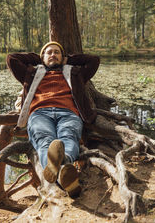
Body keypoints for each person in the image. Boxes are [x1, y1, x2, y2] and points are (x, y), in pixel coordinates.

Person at [6, 41, 100, 197]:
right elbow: (11, 58)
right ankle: (65, 170)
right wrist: (39, 58)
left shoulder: (75, 74)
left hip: (69, 113)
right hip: (40, 113)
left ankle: (62, 166)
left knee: (69, 137)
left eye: (57, 52)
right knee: (44, 139)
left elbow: (94, 60)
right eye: (49, 52)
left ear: (63, 57)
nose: (53, 55)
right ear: (42, 56)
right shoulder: (31, 73)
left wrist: (68, 60)